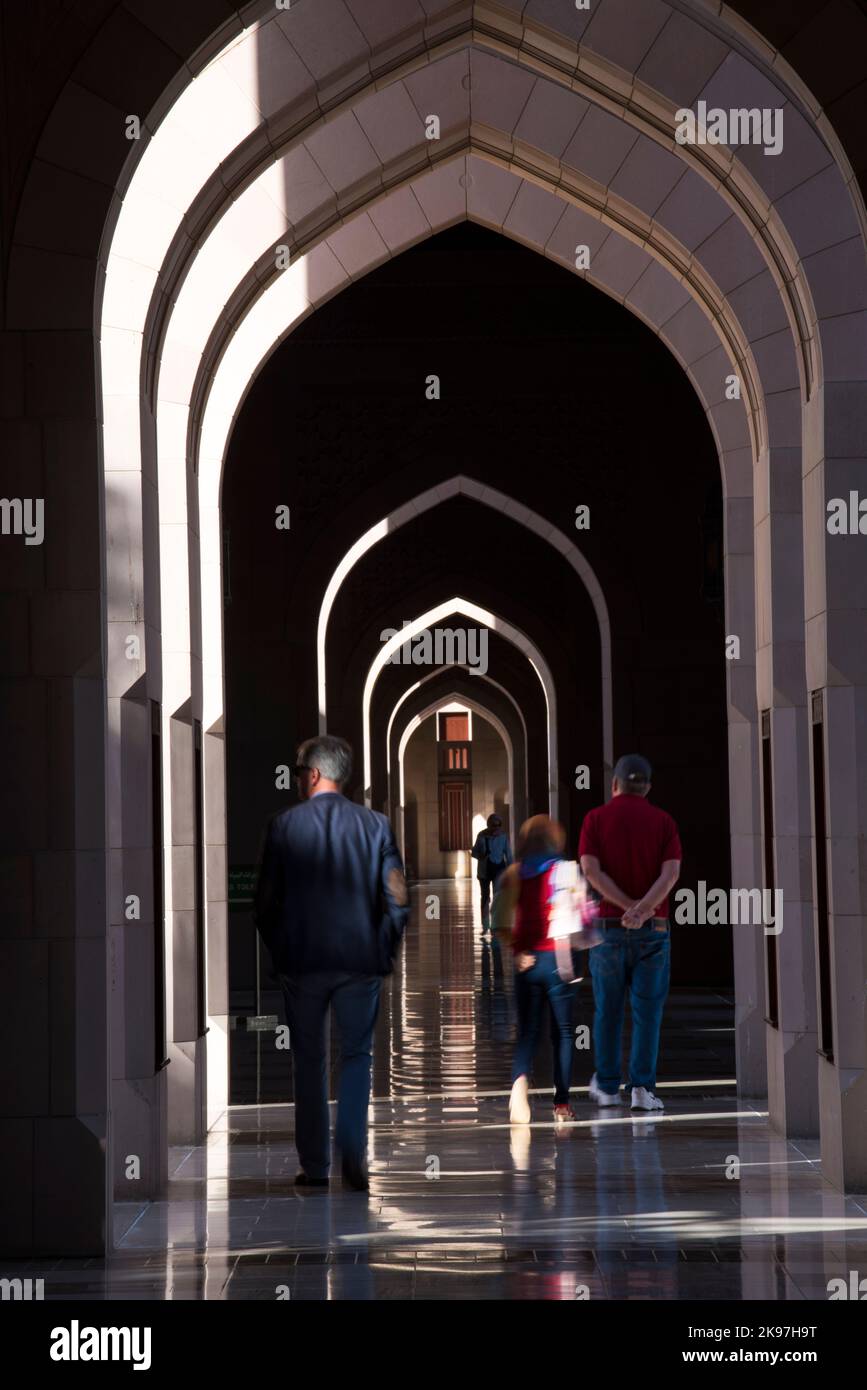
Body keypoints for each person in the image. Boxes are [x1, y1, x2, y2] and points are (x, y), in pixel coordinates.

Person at [253, 735, 409, 1191]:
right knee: (357, 1054)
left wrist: (283, 952)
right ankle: (352, 1154)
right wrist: (380, 948)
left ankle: (316, 1166)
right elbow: (398, 898)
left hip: (302, 964)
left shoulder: (282, 826)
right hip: (359, 961)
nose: (298, 779)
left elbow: (264, 904)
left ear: (315, 774)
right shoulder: (376, 826)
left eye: (300, 771)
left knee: (309, 1059)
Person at [578, 754, 682, 1113]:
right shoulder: (664, 822)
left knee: (607, 1011)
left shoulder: (595, 819)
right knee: (647, 1013)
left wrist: (625, 907)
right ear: (648, 787)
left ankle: (607, 1087)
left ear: (614, 785)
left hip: (607, 931)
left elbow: (591, 871)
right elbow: (669, 876)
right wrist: (643, 910)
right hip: (653, 932)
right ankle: (641, 1088)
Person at [493, 815, 577, 1125]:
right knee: (564, 1033)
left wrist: (515, 951)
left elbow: (499, 921)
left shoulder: (512, 875)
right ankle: (562, 1104)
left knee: (527, 1032)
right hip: (559, 960)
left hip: (526, 962)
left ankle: (519, 1090)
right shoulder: (566, 871)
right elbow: (578, 915)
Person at [471, 813, 512, 928]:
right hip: (484, 870)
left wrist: (511, 871)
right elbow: (474, 852)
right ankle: (484, 922)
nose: (495, 829)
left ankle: (496, 920)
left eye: (498, 826)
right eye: (493, 826)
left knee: (497, 895)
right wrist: (481, 856)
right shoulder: (481, 835)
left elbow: (508, 855)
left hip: (499, 869)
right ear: (488, 825)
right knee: (485, 895)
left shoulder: (503, 836)